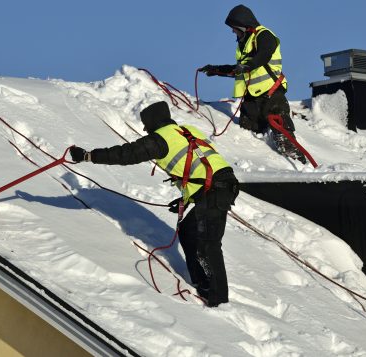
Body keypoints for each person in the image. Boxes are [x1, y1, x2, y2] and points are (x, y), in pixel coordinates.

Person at [70, 101, 239, 307]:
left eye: (147, 127)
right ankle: (200, 281)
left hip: (213, 191)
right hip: (219, 186)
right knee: (188, 231)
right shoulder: (186, 131)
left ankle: (218, 299)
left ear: (152, 124)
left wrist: (88, 156)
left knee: (208, 244)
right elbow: (201, 166)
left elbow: (127, 154)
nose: (147, 131)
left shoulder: (160, 139)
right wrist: (187, 199)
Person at [201, 4, 307, 164]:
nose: (232, 31)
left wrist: (248, 66)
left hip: (271, 96)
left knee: (284, 138)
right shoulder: (244, 44)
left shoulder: (264, 36)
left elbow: (264, 54)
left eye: (234, 28)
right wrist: (216, 70)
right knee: (249, 140)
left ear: (243, 26)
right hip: (250, 102)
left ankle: (302, 168)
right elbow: (239, 70)